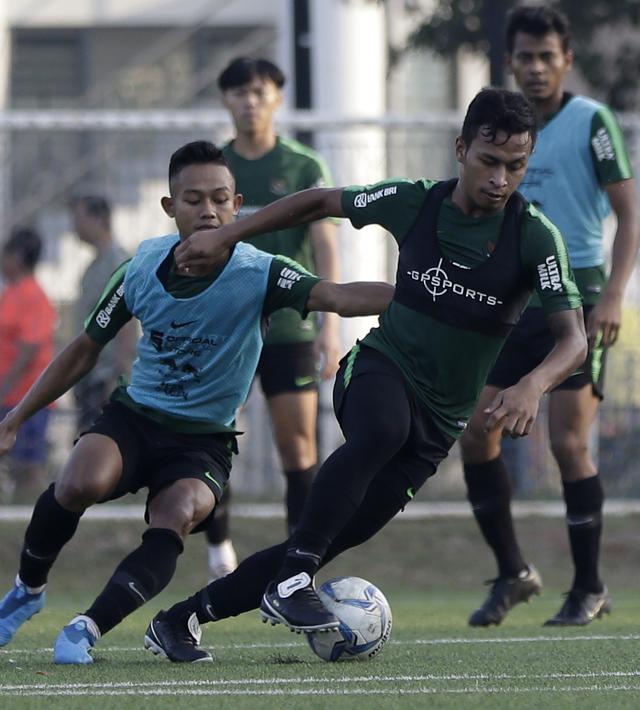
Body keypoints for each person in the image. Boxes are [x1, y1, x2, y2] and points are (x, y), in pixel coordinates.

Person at [144, 88, 588, 663]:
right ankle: (293, 581)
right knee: (382, 430)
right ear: (461, 149)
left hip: (439, 425)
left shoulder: (534, 235)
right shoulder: (413, 201)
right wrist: (228, 234)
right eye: (489, 161)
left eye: (516, 165)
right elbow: (319, 202)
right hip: (378, 369)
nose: (500, 178)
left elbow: (573, 340)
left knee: (325, 538)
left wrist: (533, 384)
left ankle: (181, 619)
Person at [0, 140, 393, 665]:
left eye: (220, 199)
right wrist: (14, 420)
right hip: (136, 418)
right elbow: (83, 349)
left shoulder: (261, 271)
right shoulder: (141, 267)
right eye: (193, 199)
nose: (208, 210)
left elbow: (338, 296)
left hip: (204, 441)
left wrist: (427, 298)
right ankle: (27, 591)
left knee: (178, 513)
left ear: (237, 206)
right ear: (170, 207)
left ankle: (86, 627)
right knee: (77, 482)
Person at [460, 5, 640, 628]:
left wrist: (613, 296)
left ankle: (589, 585)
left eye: (547, 57)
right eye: (525, 57)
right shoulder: (499, 128)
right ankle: (512, 571)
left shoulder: (592, 122)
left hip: (578, 297)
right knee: (476, 432)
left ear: (566, 59)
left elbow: (631, 217)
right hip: (511, 301)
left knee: (567, 442)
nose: (536, 68)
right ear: (510, 61)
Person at [202, 58, 341, 581]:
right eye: (239, 92)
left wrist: (330, 325)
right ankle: (218, 548)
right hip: (226, 327)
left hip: (289, 327)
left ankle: (297, 565)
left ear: (277, 98)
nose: (249, 102)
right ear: (226, 100)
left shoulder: (303, 167)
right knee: (212, 434)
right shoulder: (215, 166)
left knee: (297, 445)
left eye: (259, 92)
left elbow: (326, 247)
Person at [0, 228, 58, 500]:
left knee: (27, 466)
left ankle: (34, 508)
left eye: (4, 254)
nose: (0, 260)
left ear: (17, 257)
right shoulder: (8, 293)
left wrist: (0, 392)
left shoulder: (33, 296)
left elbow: (28, 350)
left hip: (23, 399)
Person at [70, 195, 138, 431]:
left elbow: (127, 320)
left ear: (99, 219)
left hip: (106, 376)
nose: (75, 225)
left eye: (79, 217)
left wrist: (118, 375)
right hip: (90, 374)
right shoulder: (95, 265)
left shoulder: (116, 262)